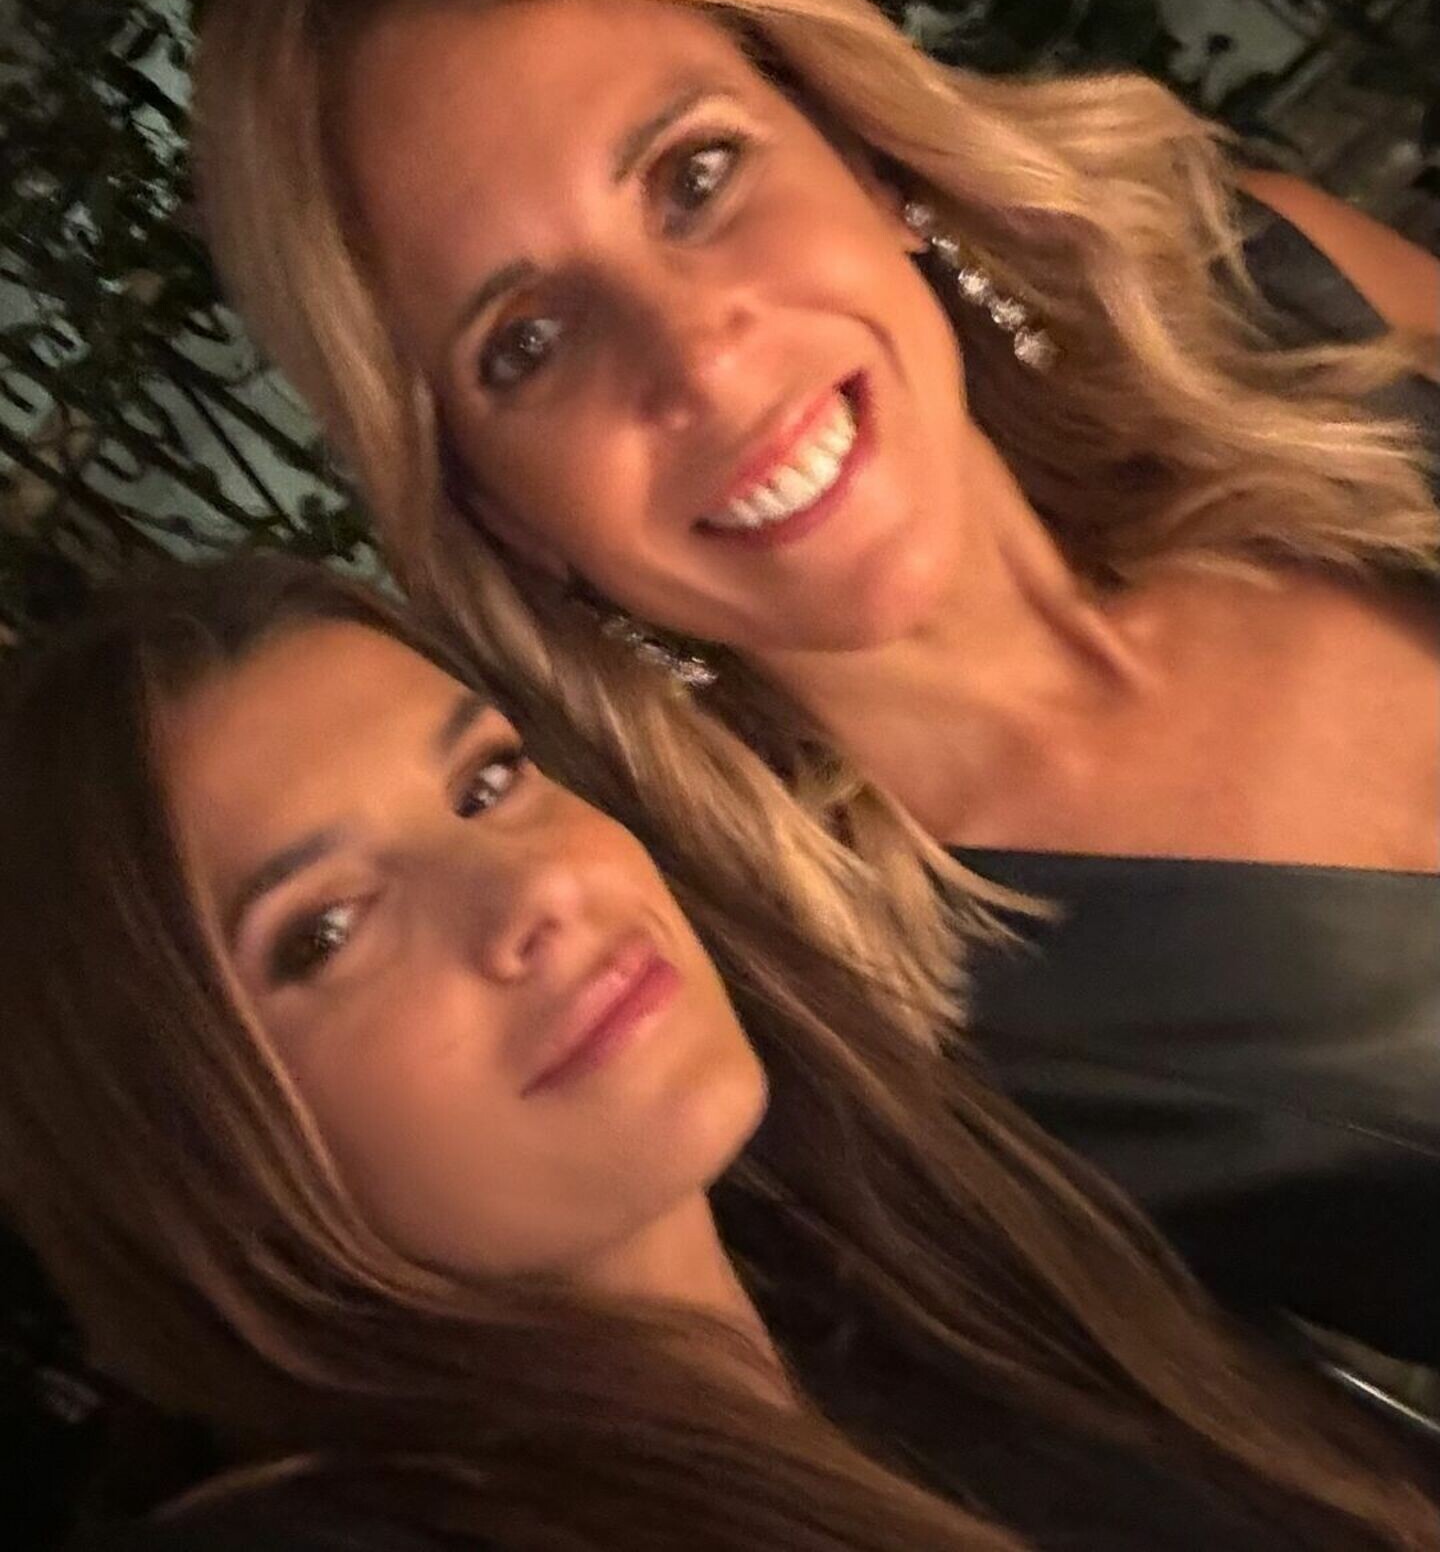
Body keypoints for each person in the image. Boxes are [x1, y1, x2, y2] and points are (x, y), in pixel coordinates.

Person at [191, 0, 1440, 1366]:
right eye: (527, 343)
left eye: (695, 175)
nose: (696, 358)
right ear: (502, 515)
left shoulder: (1279, 303)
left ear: (865, 153)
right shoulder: (869, 1073)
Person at [0, 553, 1437, 1552]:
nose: (532, 892)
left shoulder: (918, 1269)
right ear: (179, 1144)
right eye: (324, 930)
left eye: (488, 781)